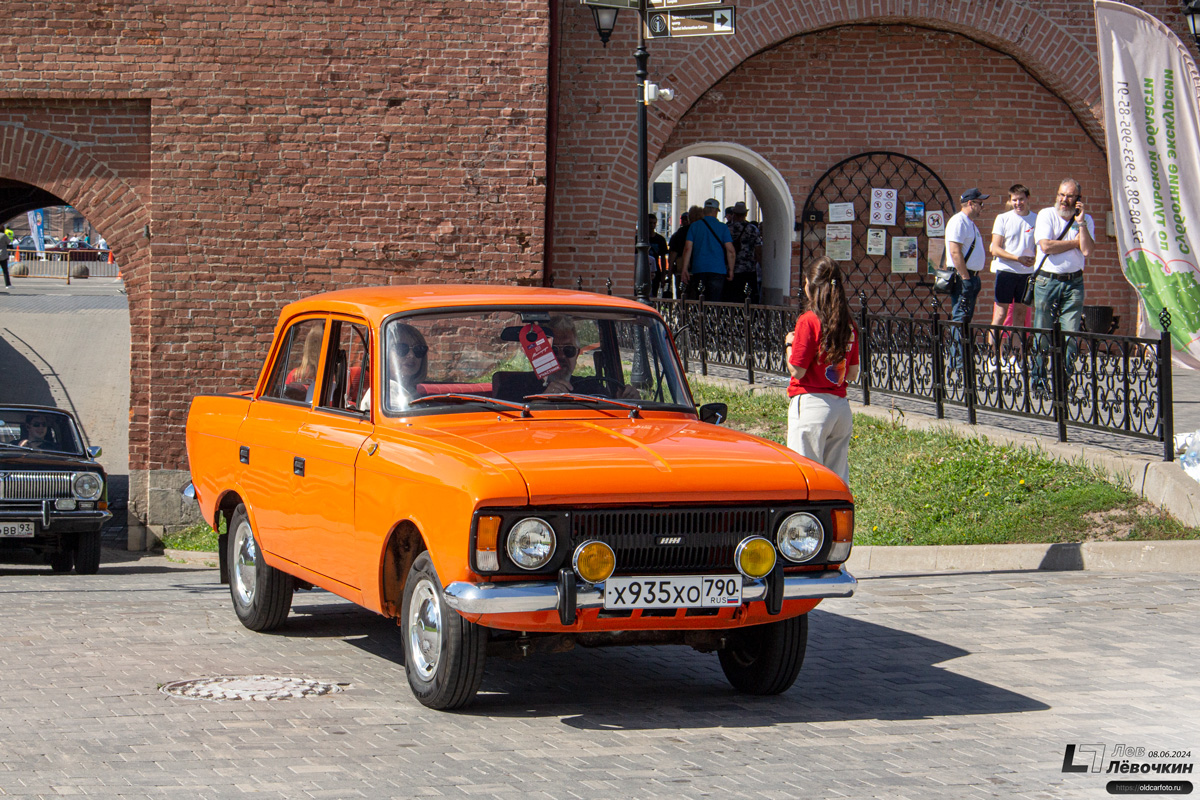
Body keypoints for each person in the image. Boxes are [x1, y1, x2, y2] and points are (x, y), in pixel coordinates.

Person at [784, 256, 860, 487]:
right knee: (835, 480)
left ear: (810, 285)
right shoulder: (848, 323)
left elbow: (797, 369)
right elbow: (852, 373)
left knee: (804, 478)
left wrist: (789, 344)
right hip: (840, 408)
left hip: (811, 404)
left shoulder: (809, 320)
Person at [1032, 178, 1093, 392]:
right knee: (1043, 332)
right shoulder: (1046, 215)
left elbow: (1086, 250)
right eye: (1061, 195)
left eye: (1069, 196)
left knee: (1071, 334)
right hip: (1047, 281)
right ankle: (1038, 380)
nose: (1064, 200)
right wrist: (1073, 243)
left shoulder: (1085, 220)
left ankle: (1062, 381)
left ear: (1078, 199)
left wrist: (1082, 223)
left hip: (1074, 282)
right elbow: (1046, 246)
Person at [988, 184, 1037, 349]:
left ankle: (1015, 355)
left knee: (1020, 315)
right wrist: (1017, 258)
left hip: (1027, 273)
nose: (1018, 203)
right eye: (1014, 200)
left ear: (1028, 198)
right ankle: (994, 355)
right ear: (1010, 200)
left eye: (1021, 199)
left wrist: (1034, 259)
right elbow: (994, 248)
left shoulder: (1036, 219)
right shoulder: (1003, 218)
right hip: (1006, 271)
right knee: (1000, 314)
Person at [543, 316, 639, 398]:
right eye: (553, 350)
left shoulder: (593, 389)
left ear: (577, 355)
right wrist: (540, 400)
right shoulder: (528, 387)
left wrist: (628, 399)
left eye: (569, 350)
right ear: (542, 354)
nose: (561, 356)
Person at [945, 188, 989, 368]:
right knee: (960, 317)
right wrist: (966, 278)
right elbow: (955, 252)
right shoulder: (959, 221)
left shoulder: (969, 223)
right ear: (970, 203)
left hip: (971, 276)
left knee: (964, 317)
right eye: (980, 203)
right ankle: (958, 361)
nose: (982, 207)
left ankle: (961, 357)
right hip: (964, 277)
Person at [680, 198, 735, 301]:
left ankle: (701, 317)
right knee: (715, 302)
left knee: (700, 300)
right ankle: (713, 317)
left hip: (699, 269)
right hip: (718, 270)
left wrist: (684, 269)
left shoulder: (694, 226)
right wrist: (731, 269)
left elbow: (687, 248)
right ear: (716, 211)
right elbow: (730, 251)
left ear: (704, 211)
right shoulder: (722, 227)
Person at [724, 201, 762, 303]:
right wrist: (761, 265)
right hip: (749, 268)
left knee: (732, 297)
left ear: (734, 214)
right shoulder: (752, 229)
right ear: (745, 214)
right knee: (749, 296)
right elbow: (758, 249)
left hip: (731, 268)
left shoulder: (727, 229)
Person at [667, 206, 702, 299]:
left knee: (682, 296)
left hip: (681, 269)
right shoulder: (703, 231)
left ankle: (682, 312)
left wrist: (670, 271)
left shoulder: (681, 232)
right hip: (700, 269)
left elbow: (673, 252)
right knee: (698, 297)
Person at [647, 213, 670, 298]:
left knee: (654, 295)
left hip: (655, 271)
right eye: (650, 223)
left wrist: (663, 275)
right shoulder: (640, 238)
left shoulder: (660, 240)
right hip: (643, 269)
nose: (652, 225)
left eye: (654, 223)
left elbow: (663, 259)